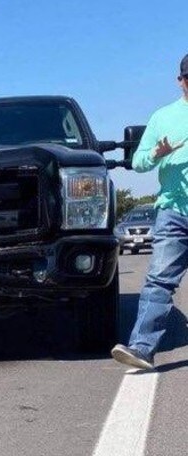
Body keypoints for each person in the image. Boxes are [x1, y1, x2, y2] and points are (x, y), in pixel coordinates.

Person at [110, 53, 188, 370]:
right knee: (159, 280)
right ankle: (142, 347)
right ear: (181, 80)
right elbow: (139, 162)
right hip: (174, 211)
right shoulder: (163, 117)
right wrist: (158, 151)